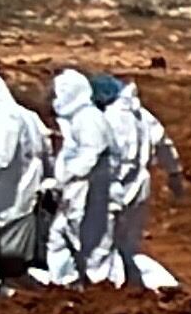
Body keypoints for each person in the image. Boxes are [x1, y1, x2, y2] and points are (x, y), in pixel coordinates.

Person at [43, 70, 128, 286]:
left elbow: (90, 155)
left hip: (94, 194)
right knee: (59, 237)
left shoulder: (89, 118)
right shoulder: (77, 119)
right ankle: (64, 282)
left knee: (95, 246)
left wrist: (65, 178)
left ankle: (105, 289)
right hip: (78, 193)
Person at [0, 71, 51, 283]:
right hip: (28, 180)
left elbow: (1, 157)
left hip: (9, 186)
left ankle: (8, 270)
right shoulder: (27, 114)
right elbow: (46, 146)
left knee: (5, 229)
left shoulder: (1, 118)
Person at [98, 78, 182, 288]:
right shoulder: (142, 116)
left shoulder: (103, 119)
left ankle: (112, 289)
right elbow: (164, 144)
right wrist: (174, 173)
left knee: (104, 247)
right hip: (140, 187)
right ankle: (163, 285)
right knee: (129, 247)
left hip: (111, 188)